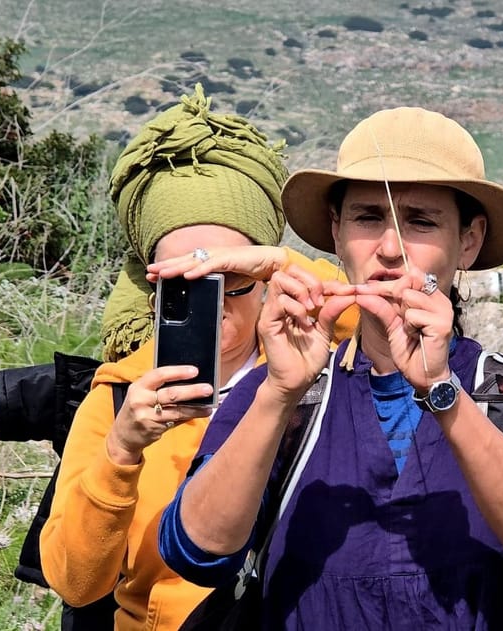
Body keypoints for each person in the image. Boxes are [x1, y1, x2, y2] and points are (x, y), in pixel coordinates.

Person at [158, 106, 503, 629]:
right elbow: (195, 552)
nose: (391, 249)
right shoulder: (279, 390)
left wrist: (441, 389)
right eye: (368, 217)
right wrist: (279, 393)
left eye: (420, 221)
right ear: (336, 233)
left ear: (468, 240)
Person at [38, 85, 356, 630]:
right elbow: (74, 582)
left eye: (229, 278)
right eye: (181, 282)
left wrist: (284, 261)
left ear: (263, 278)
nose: (211, 300)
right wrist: (122, 451)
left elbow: (385, 316)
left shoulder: (320, 367)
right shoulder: (119, 397)